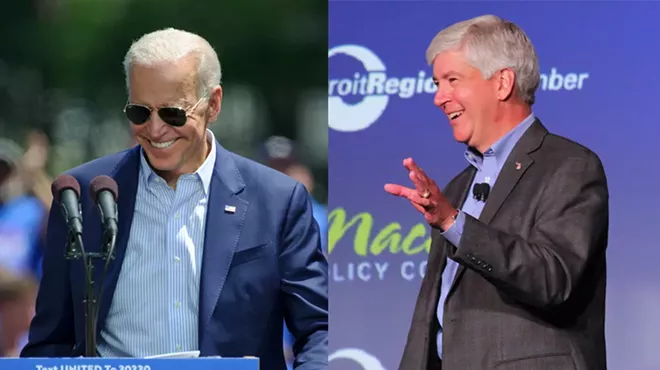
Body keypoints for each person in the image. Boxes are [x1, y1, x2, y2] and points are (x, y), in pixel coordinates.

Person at [21, 28, 328, 370]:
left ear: (213, 104)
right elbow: (50, 341)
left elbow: (320, 328)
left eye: (173, 114)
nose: (154, 130)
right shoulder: (83, 194)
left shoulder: (276, 200)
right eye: (139, 112)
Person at [385, 15, 608, 370]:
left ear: (502, 82)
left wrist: (453, 222)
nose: (439, 97)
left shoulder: (569, 166)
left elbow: (553, 278)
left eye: (452, 80)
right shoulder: (459, 186)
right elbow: (436, 314)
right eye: (437, 83)